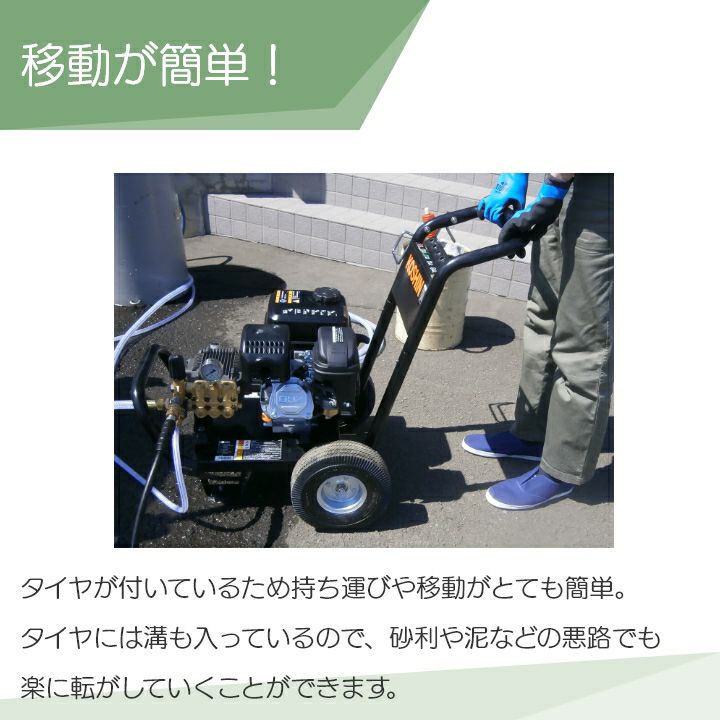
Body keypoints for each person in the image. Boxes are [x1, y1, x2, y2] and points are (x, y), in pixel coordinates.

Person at [463, 173, 613, 510]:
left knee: (583, 336)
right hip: (568, 177)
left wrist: (554, 186)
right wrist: (514, 176)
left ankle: (563, 468)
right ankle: (533, 433)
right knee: (543, 313)